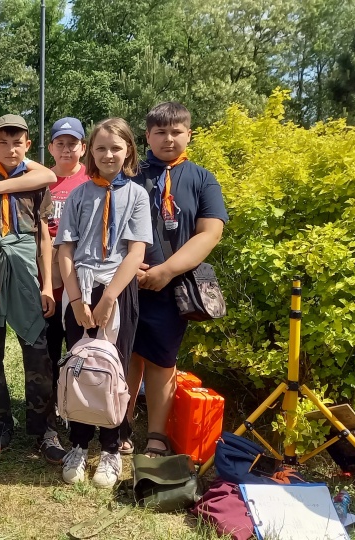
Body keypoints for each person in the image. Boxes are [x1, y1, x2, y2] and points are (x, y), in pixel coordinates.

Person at [125, 102, 228, 458]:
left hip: (173, 285)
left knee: (162, 359)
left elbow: (210, 232)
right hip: (126, 280)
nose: (169, 139)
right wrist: (130, 268)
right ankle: (119, 425)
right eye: (160, 132)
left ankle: (156, 434)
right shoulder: (130, 173)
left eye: (176, 132)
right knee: (127, 355)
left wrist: (166, 270)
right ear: (147, 136)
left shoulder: (202, 178)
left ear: (189, 134)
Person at [55, 118, 152, 487]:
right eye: (101, 148)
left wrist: (110, 296)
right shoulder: (79, 194)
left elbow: (135, 250)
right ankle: (79, 443)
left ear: (128, 149)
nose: (108, 154)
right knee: (81, 365)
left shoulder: (137, 196)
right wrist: (77, 299)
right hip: (80, 286)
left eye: (116, 147)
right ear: (90, 152)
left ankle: (111, 448)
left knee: (115, 368)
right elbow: (65, 249)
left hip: (118, 289)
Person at [0, 114, 66, 463]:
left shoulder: (36, 182)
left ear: (27, 145)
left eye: (17, 142)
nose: (10, 149)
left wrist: (48, 285)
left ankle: (42, 427)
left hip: (26, 270)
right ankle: (0, 421)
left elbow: (44, 238)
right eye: (2, 142)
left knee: (37, 348)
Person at [45, 117, 90, 388]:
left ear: (83, 148)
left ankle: (79, 405)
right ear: (50, 148)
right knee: (48, 349)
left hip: (80, 277)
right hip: (49, 280)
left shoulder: (90, 180)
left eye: (72, 144)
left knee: (80, 348)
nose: (66, 149)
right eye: (60, 144)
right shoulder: (43, 180)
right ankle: (50, 404)